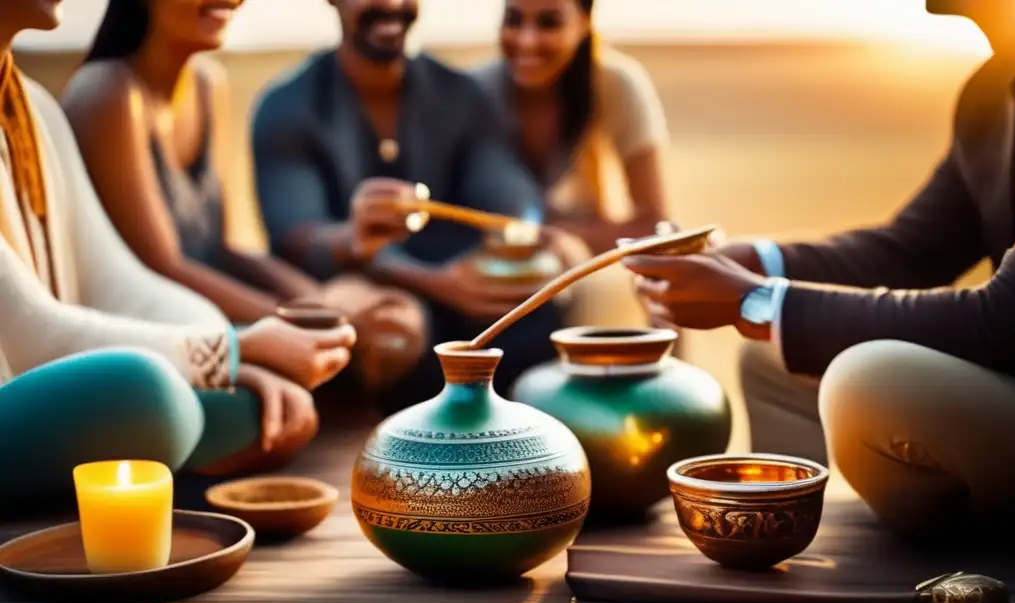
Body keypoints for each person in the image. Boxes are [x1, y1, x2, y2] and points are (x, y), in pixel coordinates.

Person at [621, 0, 1015, 539]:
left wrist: (754, 301)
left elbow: (1007, 319)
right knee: (772, 362)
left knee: (868, 383)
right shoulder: (992, 92)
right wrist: (752, 263)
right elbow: (912, 251)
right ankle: (798, 543)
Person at [0, 0, 356, 497]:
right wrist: (233, 350)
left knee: (254, 407)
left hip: (72, 379)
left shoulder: (33, 106)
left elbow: (117, 280)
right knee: (154, 394)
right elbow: (34, 333)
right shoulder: (106, 91)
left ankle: (135, 474)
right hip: (27, 393)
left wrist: (234, 353)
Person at [60, 0, 425, 397]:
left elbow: (226, 248)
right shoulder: (110, 93)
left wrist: (325, 306)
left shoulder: (206, 83)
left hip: (212, 316)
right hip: (153, 343)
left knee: (392, 316)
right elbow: (164, 266)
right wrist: (303, 323)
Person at [251, 0, 583, 411]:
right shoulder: (287, 106)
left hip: (462, 293)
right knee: (394, 331)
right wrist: (422, 275)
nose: (390, 4)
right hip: (359, 293)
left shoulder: (459, 95)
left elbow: (507, 192)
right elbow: (296, 238)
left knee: (537, 314)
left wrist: (526, 231)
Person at [473, 0, 671, 253]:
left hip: (576, 266)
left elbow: (655, 224)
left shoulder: (617, 85)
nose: (527, 41)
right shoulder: (476, 92)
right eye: (513, 20)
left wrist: (551, 237)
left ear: (584, 22)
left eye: (549, 23)